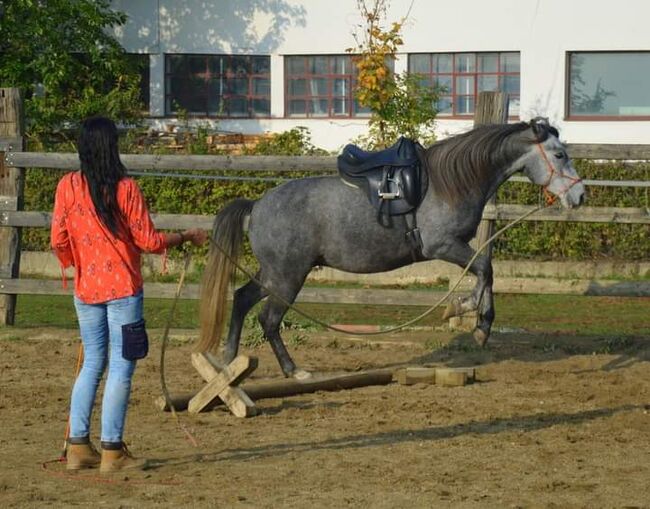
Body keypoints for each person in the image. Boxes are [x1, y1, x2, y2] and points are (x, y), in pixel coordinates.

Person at [50, 116, 208, 473]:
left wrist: (81, 263)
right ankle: (112, 450)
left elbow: (58, 240)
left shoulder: (67, 187)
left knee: (92, 364)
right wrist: (183, 237)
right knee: (121, 369)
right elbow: (149, 242)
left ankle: (77, 446)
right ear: (112, 147)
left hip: (86, 291)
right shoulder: (125, 189)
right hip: (123, 290)